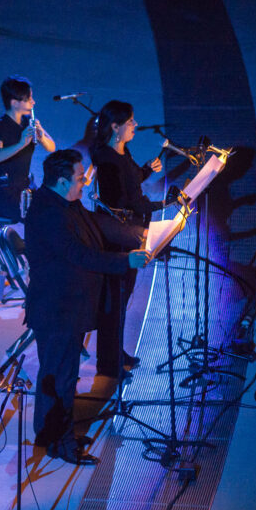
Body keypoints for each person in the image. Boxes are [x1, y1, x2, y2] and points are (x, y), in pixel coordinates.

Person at [23, 150, 150, 465]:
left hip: (67, 308)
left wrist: (136, 234)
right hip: (58, 311)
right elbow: (79, 255)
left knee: (56, 375)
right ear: (63, 181)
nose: (85, 182)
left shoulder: (64, 202)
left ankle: (49, 433)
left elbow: (95, 224)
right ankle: (62, 444)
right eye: (80, 178)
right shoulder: (48, 214)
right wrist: (125, 260)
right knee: (61, 378)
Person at [90, 100, 167, 378]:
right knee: (116, 298)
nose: (135, 125)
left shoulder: (121, 150)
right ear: (115, 126)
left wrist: (146, 170)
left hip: (127, 228)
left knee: (122, 296)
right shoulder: (108, 160)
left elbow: (132, 180)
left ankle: (114, 353)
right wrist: (165, 205)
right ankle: (108, 364)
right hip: (119, 236)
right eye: (130, 122)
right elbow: (126, 200)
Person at [0, 75, 56, 222]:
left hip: (23, 187)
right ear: (15, 103)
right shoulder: (0, 126)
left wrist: (41, 135)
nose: (33, 102)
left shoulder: (28, 122)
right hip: (3, 192)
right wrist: (21, 144)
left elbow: (51, 147)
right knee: (40, 217)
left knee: (55, 209)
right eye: (29, 99)